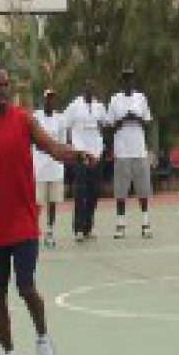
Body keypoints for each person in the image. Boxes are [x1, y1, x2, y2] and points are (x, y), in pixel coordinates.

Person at [0, 63, 95, 355]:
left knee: (26, 287)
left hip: (22, 220)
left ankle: (43, 339)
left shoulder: (23, 120)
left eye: (6, 84)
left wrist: (77, 155)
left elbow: (52, 147)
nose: (3, 90)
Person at [108, 68, 153, 240]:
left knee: (143, 189)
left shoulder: (141, 98)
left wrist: (137, 118)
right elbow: (110, 126)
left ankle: (145, 223)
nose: (128, 82)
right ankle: (120, 225)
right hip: (122, 151)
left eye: (131, 79)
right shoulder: (115, 99)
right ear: (122, 82)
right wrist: (122, 119)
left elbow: (147, 123)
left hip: (139, 150)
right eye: (125, 79)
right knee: (121, 191)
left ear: (134, 81)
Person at [65, 80, 107, 242]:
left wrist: (99, 151)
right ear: (83, 90)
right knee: (81, 192)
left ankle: (88, 227)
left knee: (94, 192)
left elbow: (104, 125)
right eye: (87, 88)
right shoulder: (74, 106)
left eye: (92, 88)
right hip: (81, 155)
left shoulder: (99, 107)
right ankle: (78, 229)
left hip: (96, 155)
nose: (90, 91)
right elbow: (66, 126)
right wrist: (73, 149)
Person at [32, 89, 66, 249]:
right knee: (36, 203)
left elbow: (62, 143)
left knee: (53, 203)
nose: (50, 102)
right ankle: (33, 231)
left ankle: (50, 232)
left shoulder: (60, 119)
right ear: (43, 100)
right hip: (39, 168)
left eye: (53, 99)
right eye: (48, 99)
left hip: (55, 167)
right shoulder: (35, 117)